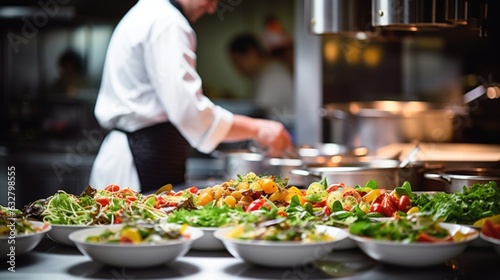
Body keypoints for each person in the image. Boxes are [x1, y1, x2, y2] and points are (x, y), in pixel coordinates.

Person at [89, 0, 293, 193]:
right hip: (134, 167)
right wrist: (257, 128)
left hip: (140, 157)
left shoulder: (153, 12)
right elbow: (189, 111)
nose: (213, 8)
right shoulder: (167, 21)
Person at [229, 33, 294, 129]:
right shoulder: (263, 73)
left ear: (251, 52)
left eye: (237, 61)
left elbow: (258, 111)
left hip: (287, 129)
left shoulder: (274, 74)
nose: (237, 68)